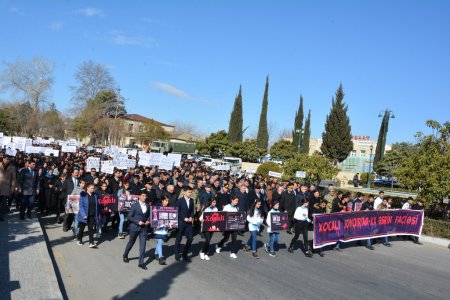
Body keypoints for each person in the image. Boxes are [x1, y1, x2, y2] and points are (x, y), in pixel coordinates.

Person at [123, 192, 151, 270]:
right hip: (134, 227)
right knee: (131, 242)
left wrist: (148, 221)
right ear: (139, 197)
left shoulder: (148, 206)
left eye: (145, 196)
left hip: (144, 228)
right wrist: (137, 222)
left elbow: (149, 215)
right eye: (143, 196)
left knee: (143, 245)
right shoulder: (134, 206)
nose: (144, 197)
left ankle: (141, 263)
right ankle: (125, 255)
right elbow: (129, 217)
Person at [175, 186, 195, 262]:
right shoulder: (180, 201)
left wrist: (191, 217)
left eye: (191, 192)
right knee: (178, 239)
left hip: (189, 223)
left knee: (190, 238)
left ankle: (184, 254)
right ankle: (177, 254)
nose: (190, 193)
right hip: (181, 222)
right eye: (189, 192)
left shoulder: (192, 200)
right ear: (184, 192)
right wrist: (184, 218)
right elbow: (178, 211)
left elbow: (192, 211)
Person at [76, 184, 98, 248]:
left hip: (92, 215)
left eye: (93, 188)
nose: (93, 189)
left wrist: (97, 214)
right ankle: (79, 239)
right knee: (81, 229)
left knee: (91, 229)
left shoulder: (95, 195)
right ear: (87, 188)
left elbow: (96, 205)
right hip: (84, 215)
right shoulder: (83, 195)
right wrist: (83, 215)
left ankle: (91, 242)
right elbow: (81, 206)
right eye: (91, 188)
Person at [153, 196, 170, 265]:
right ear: (162, 201)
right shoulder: (157, 208)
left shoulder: (169, 209)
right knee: (160, 242)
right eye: (166, 201)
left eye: (168, 201)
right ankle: (161, 257)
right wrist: (155, 224)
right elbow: (153, 217)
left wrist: (170, 224)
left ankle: (156, 253)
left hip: (164, 228)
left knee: (159, 242)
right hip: (157, 228)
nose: (167, 202)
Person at [0, 155, 16, 221]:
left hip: (6, 188)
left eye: (9, 159)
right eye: (7, 159)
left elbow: (13, 179)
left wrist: (12, 187)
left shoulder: (12, 167)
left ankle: (1, 215)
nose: (8, 160)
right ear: (3, 159)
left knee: (3, 203)